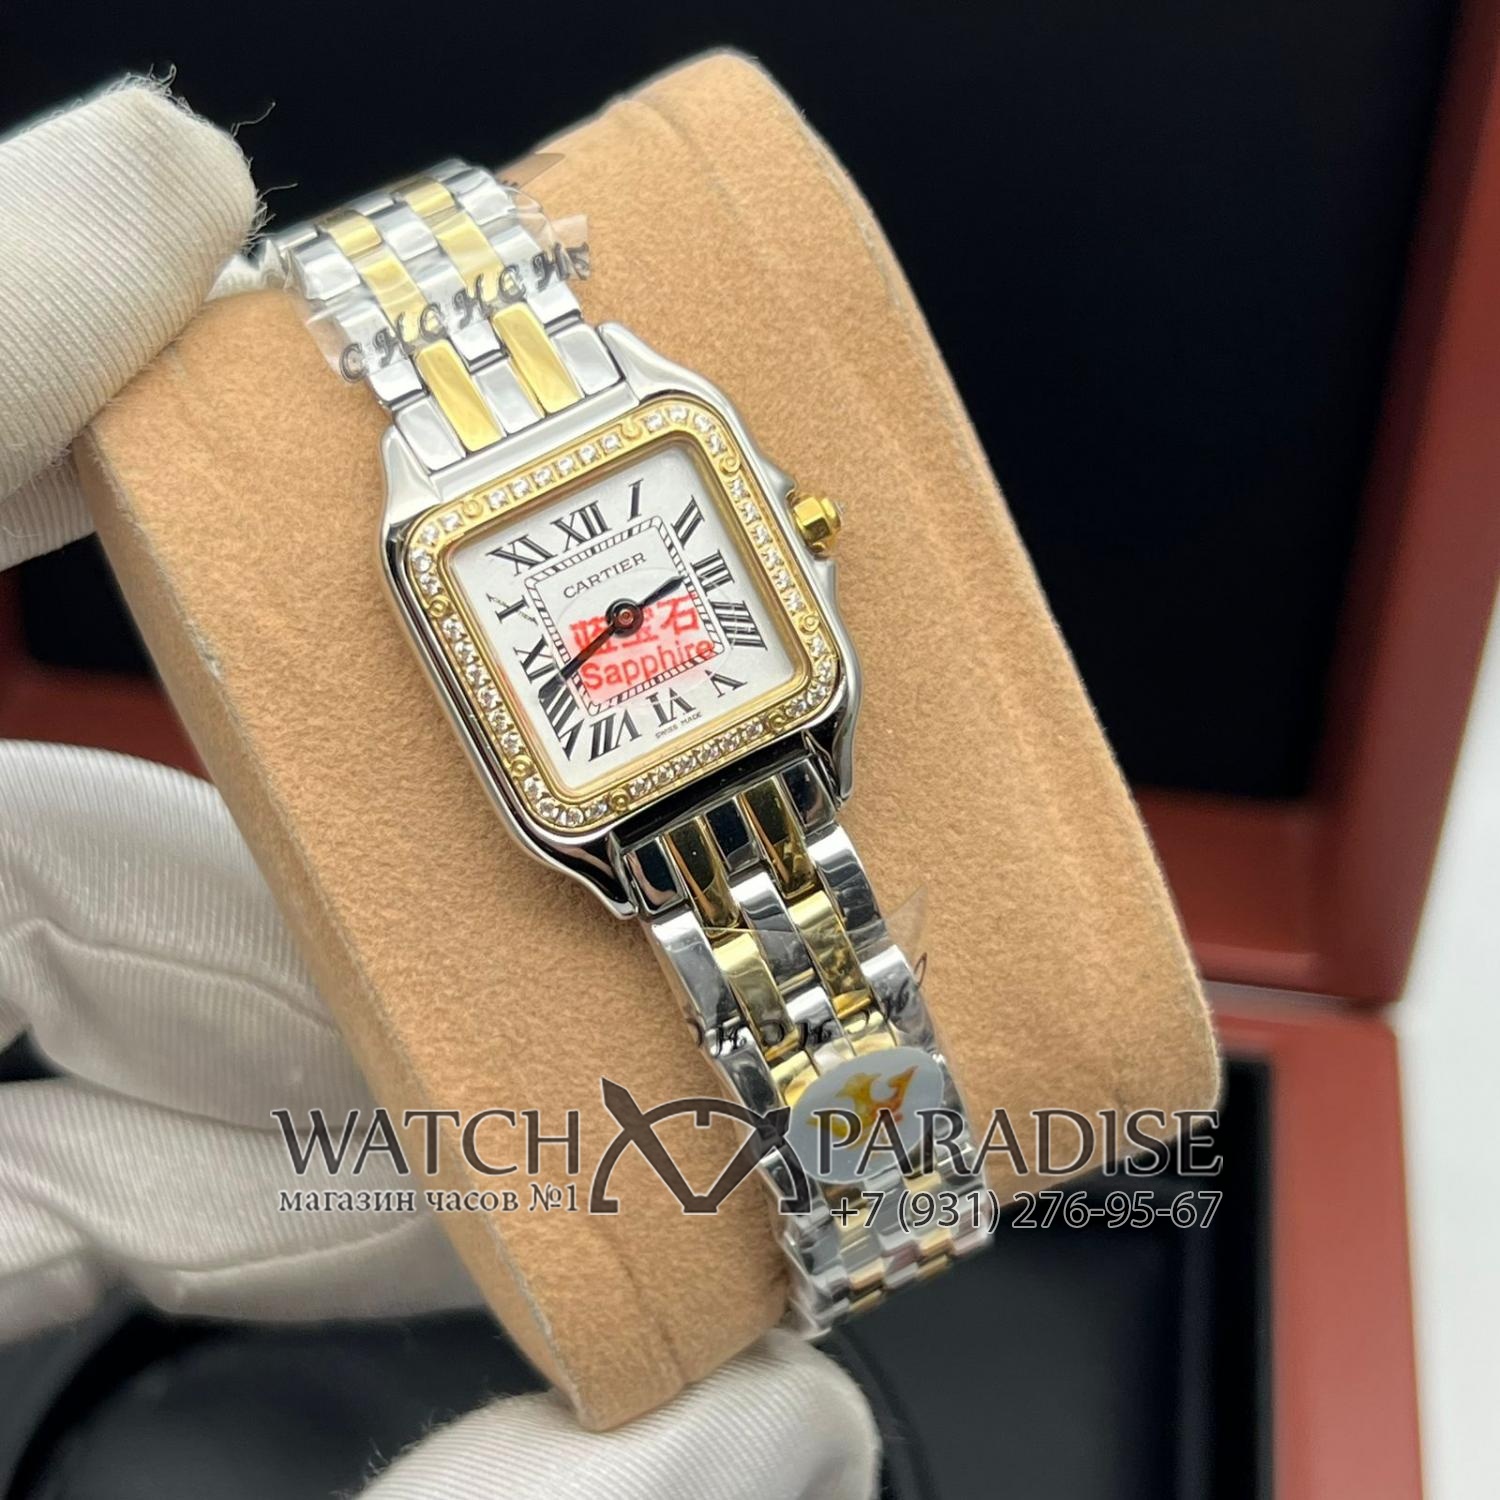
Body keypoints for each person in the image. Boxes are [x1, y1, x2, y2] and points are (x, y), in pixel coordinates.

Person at [0, 80, 879, 1500]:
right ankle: (876, 1186)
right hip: (631, 827)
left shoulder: (663, 434)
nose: (617, 624)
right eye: (604, 623)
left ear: (791, 537)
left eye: (630, 609)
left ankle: (878, 1184)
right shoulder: (437, 547)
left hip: (760, 765)